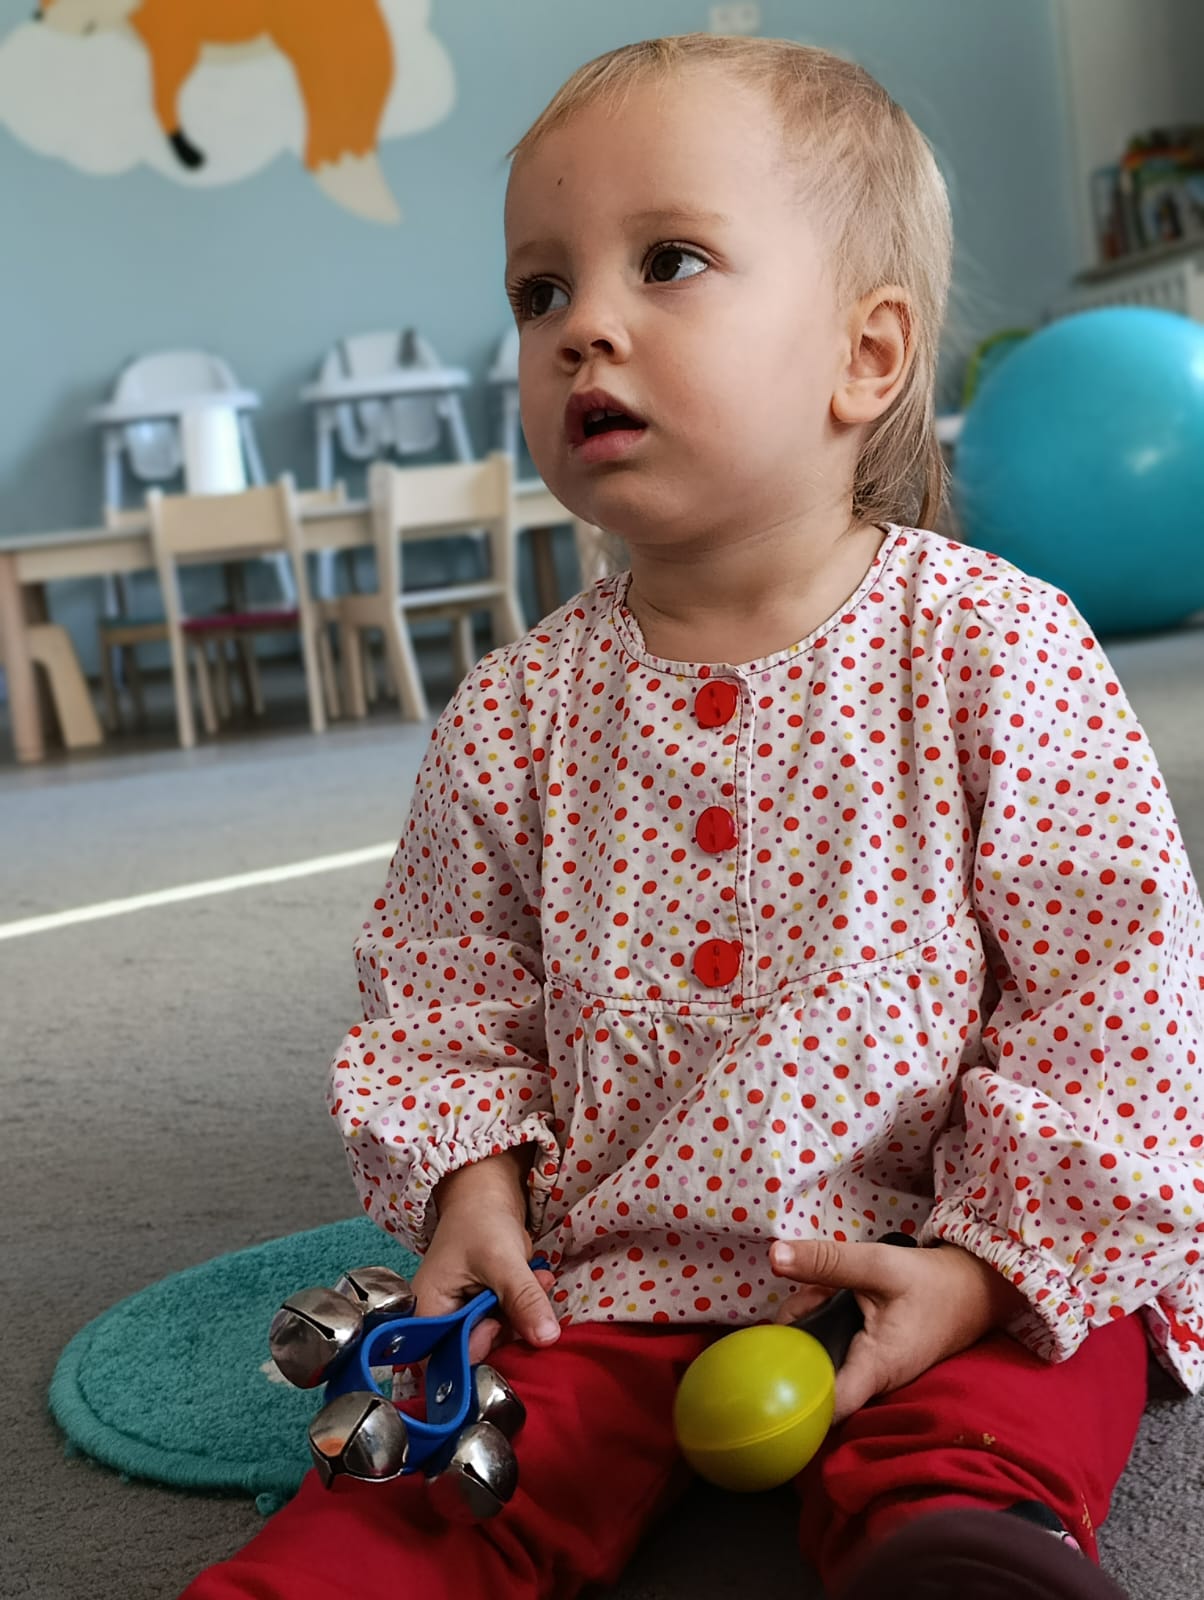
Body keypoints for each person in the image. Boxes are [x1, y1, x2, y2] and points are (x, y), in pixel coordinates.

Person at [183, 33, 1204, 1600]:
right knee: (444, 1468)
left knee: (1055, 1351)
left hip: (940, 1244)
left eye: (666, 263)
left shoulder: (997, 648)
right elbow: (443, 990)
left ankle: (964, 1532)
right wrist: (472, 1187)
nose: (583, 327)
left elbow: (1116, 988)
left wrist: (987, 1267)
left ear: (867, 357)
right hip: (608, 1277)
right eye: (540, 291)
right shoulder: (517, 711)